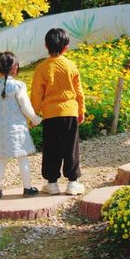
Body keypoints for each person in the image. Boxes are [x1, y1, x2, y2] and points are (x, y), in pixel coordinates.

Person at [30, 28, 85, 196]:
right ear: (66, 47)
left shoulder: (42, 68)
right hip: (70, 112)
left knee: (51, 148)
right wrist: (81, 110)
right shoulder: (71, 66)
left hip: (50, 114)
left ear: (46, 45)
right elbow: (79, 92)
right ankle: (73, 183)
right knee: (71, 147)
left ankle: (52, 183)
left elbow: (36, 94)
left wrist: (33, 116)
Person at [0, 51, 41, 200]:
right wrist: (36, 119)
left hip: (0, 131)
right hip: (17, 131)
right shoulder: (18, 86)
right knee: (22, 158)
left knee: (1, 160)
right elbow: (26, 108)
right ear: (14, 67)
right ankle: (27, 188)